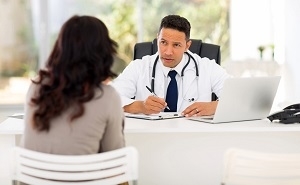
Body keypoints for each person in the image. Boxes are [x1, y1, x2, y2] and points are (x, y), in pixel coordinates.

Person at [21, 15, 125, 155]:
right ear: (103, 51)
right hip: (83, 177)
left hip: (31, 176)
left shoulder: (37, 87)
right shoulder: (108, 97)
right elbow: (115, 158)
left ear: (60, 48)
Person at [112, 15, 230, 117]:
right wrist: (140, 106)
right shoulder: (139, 67)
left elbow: (239, 99)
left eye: (176, 45)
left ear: (187, 46)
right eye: (163, 42)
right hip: (150, 137)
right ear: (158, 38)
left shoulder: (208, 68)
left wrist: (214, 107)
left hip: (194, 138)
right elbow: (110, 100)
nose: (168, 52)